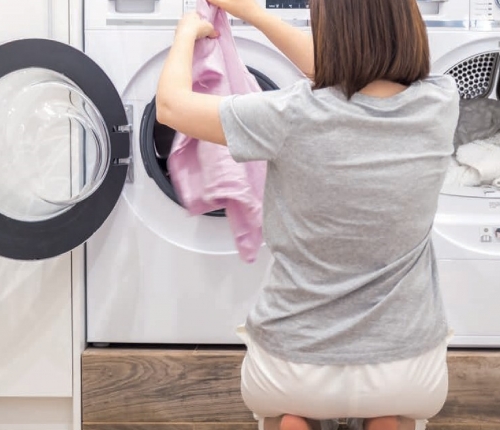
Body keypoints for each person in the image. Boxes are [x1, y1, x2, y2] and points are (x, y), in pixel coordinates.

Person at [156, 0, 460, 429]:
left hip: (291, 367)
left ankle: (298, 418)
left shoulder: (289, 114)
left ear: (330, 34)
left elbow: (170, 107)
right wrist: (253, 13)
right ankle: (383, 417)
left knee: (292, 403)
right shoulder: (441, 101)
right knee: (390, 404)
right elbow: (351, 71)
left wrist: (186, 33)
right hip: (409, 369)